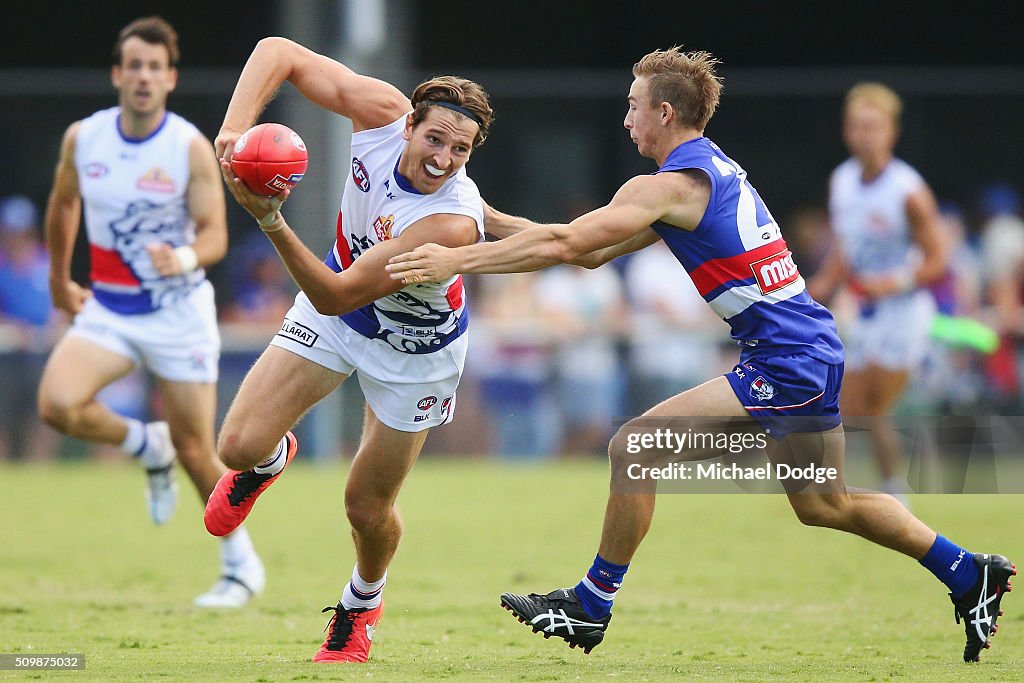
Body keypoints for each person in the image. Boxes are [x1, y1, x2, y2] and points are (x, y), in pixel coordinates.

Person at [386, 47, 1015, 663]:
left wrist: (456, 258)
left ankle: (591, 604)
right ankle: (967, 571)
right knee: (826, 504)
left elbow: (568, 241)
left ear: (663, 113)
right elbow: (588, 252)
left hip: (785, 359)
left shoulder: (670, 186)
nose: (626, 118)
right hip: (807, 348)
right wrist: (484, 217)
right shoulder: (703, 173)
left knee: (634, 449)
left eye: (632, 106)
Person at [201, 36, 495, 663]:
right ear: (408, 123)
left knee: (365, 507)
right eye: (435, 138)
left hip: (414, 353)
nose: (443, 157)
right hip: (341, 309)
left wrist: (271, 219)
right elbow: (276, 51)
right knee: (236, 446)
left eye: (460, 149)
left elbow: (335, 294)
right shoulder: (379, 112)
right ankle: (269, 461)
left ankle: (361, 604)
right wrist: (233, 131)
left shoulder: (448, 221)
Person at [37, 17, 265, 607]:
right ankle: (145, 445)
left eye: (154, 68)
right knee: (58, 404)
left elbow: (215, 234)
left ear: (170, 78)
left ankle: (240, 564)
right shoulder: (83, 138)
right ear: (117, 75)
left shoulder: (186, 146)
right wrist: (61, 280)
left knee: (198, 450)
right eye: (133, 66)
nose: (142, 77)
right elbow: (63, 205)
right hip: (110, 309)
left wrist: (185, 255)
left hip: (177, 313)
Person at [808, 83, 948, 500]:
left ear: (892, 131)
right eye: (856, 126)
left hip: (903, 313)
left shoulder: (908, 192)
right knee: (853, 405)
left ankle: (887, 490)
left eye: (873, 126)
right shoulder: (843, 180)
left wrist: (893, 282)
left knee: (870, 405)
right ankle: (878, 489)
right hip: (864, 309)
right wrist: (825, 282)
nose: (863, 135)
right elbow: (846, 247)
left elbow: (939, 259)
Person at [0, 195, 57, 460]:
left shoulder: (47, 264)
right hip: (6, 355)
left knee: (42, 419)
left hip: (41, 353)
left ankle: (39, 470)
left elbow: (58, 307)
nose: (16, 238)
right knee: (4, 419)